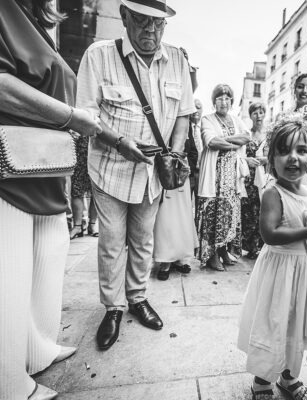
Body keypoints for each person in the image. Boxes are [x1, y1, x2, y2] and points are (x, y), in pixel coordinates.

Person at [0, 0, 102, 398]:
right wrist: (69, 116)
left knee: (43, 260)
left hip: (34, 165)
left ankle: (33, 349)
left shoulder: (25, 14)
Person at [76, 0, 195, 350]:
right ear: (124, 17)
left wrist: (172, 153)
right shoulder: (98, 55)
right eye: (142, 22)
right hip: (110, 168)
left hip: (152, 175)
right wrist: (119, 142)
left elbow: (183, 116)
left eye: (158, 25)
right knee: (112, 241)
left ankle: (138, 298)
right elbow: (85, 118)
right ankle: (113, 308)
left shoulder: (178, 60)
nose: (151, 32)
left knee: (143, 240)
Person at [238, 117, 307, 400]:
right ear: (271, 158)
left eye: (301, 151)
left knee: (296, 328)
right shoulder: (272, 193)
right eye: (284, 151)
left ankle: (288, 379)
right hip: (280, 273)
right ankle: (262, 382)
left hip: (304, 273)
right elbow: (270, 234)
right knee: (274, 325)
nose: (293, 158)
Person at [197, 84, 250, 271]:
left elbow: (246, 138)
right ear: (214, 101)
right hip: (214, 178)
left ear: (232, 102)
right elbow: (211, 142)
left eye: (227, 98)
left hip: (232, 180)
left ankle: (224, 251)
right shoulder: (207, 119)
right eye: (220, 98)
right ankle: (212, 256)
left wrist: (225, 141)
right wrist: (234, 142)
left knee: (229, 215)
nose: (224, 102)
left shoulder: (236, 120)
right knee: (214, 214)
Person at [241, 102, 268, 259]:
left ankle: (262, 246)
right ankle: (251, 247)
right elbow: (240, 154)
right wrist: (248, 159)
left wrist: (265, 160)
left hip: (265, 176)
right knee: (250, 211)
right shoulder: (246, 134)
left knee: (263, 209)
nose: (259, 116)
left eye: (261, 112)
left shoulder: (269, 134)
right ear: (250, 116)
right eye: (255, 113)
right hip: (249, 178)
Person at [69, 135, 99, 239]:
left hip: (96, 147)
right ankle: (77, 227)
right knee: (77, 189)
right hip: (77, 147)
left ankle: (92, 224)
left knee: (96, 191)